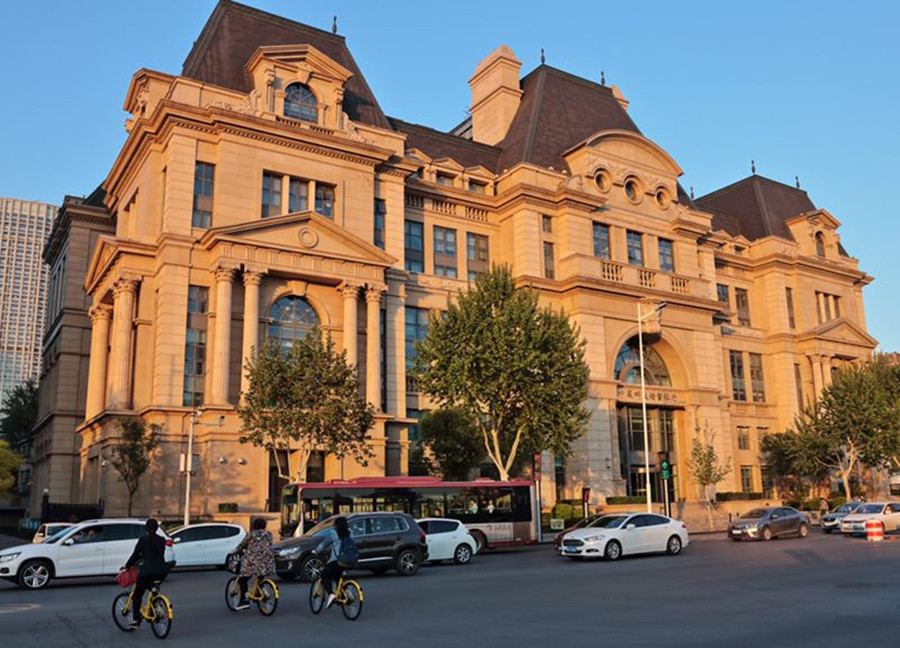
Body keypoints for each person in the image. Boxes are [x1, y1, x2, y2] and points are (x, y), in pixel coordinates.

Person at [122, 518, 167, 629]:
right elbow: (157, 554)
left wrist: (127, 566)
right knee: (153, 589)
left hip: (147, 572)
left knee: (137, 595)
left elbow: (135, 555)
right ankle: (156, 608)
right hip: (161, 571)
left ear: (146, 528)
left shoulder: (143, 540)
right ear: (156, 528)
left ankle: (136, 620)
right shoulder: (162, 540)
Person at [232, 517, 276, 610]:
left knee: (243, 579)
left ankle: (244, 601)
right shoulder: (269, 534)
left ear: (254, 526)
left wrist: (235, 551)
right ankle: (260, 592)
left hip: (254, 561)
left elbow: (242, 545)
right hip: (268, 562)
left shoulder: (251, 534)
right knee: (260, 576)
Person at [314, 516, 352, 609]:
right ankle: (345, 592)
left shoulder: (333, 533)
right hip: (351, 560)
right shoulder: (350, 533)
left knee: (325, 575)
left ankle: (331, 594)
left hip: (338, 561)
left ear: (336, 526)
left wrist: (315, 551)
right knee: (337, 575)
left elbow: (323, 545)